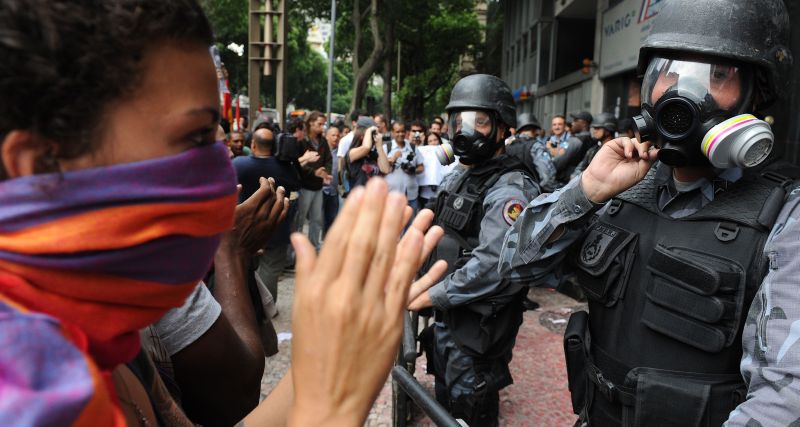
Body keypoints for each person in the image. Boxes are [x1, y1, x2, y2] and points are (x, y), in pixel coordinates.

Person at [0, 1, 447, 426]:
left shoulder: (107, 328)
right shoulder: (25, 393)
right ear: (42, 165)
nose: (217, 169)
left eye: (219, 135)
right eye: (195, 136)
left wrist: (340, 354)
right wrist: (331, 411)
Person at [498, 0, 794, 425]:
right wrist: (586, 192)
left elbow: (784, 399)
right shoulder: (619, 184)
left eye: (718, 75)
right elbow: (513, 267)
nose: (683, 92)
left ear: (756, 94)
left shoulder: (786, 217)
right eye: (669, 71)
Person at [408, 74, 543, 427]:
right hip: (448, 318)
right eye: (458, 121)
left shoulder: (510, 187)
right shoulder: (461, 175)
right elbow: (436, 223)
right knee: (445, 403)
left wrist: (429, 295)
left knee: (470, 410)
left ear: (502, 129)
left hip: (477, 328)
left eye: (478, 122)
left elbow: (494, 265)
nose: (464, 130)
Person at [295, 111, 332, 250]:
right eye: (319, 124)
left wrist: (325, 172)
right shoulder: (302, 141)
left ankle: (314, 246)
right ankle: (295, 250)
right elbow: (298, 164)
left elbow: (328, 158)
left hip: (318, 187)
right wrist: (314, 172)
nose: (322, 127)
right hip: (304, 186)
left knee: (316, 219)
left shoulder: (322, 141)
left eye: (323, 124)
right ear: (311, 123)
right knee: (300, 220)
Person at [386, 121, 425, 213]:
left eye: (403, 131)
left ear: (406, 132)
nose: (401, 134)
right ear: (392, 132)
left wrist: (413, 170)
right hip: (392, 195)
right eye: (397, 131)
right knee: (393, 224)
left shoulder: (413, 147)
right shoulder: (386, 147)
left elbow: (421, 167)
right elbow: (382, 168)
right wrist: (394, 158)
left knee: (411, 225)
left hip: (411, 195)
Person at [345, 117, 392, 191]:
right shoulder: (352, 153)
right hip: (359, 198)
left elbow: (386, 170)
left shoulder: (374, 153)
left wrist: (379, 147)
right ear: (361, 135)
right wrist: (370, 129)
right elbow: (366, 147)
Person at [570, 112, 617, 179]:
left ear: (608, 130)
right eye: (594, 128)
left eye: (597, 128)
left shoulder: (618, 151)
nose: (594, 131)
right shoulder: (593, 150)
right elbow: (579, 170)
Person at [322, 125, 341, 235]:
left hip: (334, 191)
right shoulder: (321, 151)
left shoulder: (340, 153)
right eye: (333, 135)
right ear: (327, 136)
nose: (336, 138)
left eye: (338, 135)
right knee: (319, 219)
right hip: (321, 190)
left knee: (332, 219)